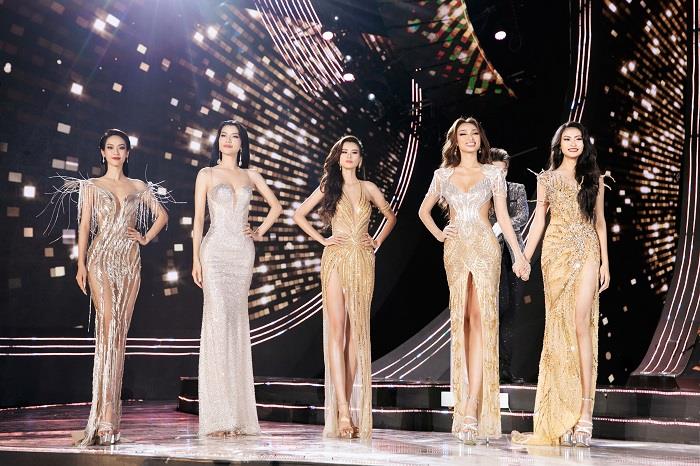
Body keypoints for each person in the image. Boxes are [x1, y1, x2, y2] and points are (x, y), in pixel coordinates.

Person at [47, 128, 170, 445]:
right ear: (102, 152)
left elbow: (162, 215)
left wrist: (144, 237)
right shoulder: (91, 186)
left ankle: (111, 419)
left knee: (120, 334)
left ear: (128, 153)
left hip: (129, 261)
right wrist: (80, 264)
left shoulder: (138, 186)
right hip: (100, 259)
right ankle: (102, 417)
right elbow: (84, 225)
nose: (116, 152)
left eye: (122, 147)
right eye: (111, 147)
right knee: (108, 328)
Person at [418, 117, 529, 444]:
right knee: (463, 321)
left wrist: (519, 255)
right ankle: (468, 398)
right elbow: (423, 211)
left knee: (482, 320)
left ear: (481, 139)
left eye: (474, 133)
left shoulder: (493, 173)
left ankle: (471, 406)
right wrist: (441, 234)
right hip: (455, 250)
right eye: (462, 134)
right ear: (455, 140)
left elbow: (504, 218)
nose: (469, 138)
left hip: (484, 246)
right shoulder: (442, 175)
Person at [512, 122, 610, 447]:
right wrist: (524, 257)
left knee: (581, 323)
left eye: (578, 139)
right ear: (558, 145)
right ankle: (562, 413)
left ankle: (585, 414)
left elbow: (599, 222)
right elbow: (538, 220)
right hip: (555, 253)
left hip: (587, 250)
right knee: (558, 329)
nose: (573, 143)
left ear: (584, 144)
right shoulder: (546, 179)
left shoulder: (594, 178)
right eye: (567, 139)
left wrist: (605, 263)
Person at [293, 135, 396, 439]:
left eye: (354, 152)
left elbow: (391, 216)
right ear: (338, 158)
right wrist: (323, 239)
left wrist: (377, 240)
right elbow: (299, 214)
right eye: (345, 152)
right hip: (336, 259)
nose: (349, 156)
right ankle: (342, 411)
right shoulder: (329, 187)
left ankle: (347, 406)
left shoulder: (369, 188)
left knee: (356, 334)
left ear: (360, 159)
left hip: (363, 259)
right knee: (337, 332)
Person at [192, 120, 282, 437]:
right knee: (217, 323)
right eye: (224, 136)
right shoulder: (206, 174)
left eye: (235, 137)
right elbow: (198, 220)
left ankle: (238, 415)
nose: (228, 140)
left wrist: (259, 231)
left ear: (242, 143)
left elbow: (276, 207)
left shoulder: (251, 175)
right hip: (214, 252)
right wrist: (195, 259)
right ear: (217, 141)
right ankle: (218, 417)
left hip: (242, 254)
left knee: (236, 325)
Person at [489, 148, 529, 384]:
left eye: (502, 171)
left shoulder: (516, 189)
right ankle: (487, 367)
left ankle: (504, 369)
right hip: (489, 254)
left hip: (512, 256)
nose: (499, 175)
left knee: (510, 313)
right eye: (494, 171)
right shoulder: (482, 191)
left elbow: (523, 216)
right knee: (496, 307)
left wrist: (500, 227)